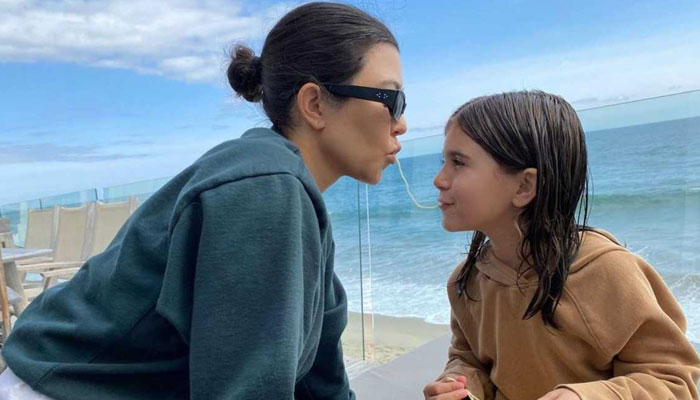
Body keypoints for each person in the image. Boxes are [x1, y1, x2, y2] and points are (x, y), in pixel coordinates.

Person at [0, 2, 407, 399]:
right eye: (391, 100)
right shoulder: (263, 189)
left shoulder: (292, 200)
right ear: (315, 104)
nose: (401, 124)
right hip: (56, 386)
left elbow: (322, 383)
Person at [423, 90, 700, 400]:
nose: (439, 179)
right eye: (444, 161)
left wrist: (585, 397)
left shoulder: (609, 272)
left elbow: (674, 381)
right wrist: (458, 385)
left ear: (524, 185)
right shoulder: (466, 281)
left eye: (458, 162)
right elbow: (469, 359)